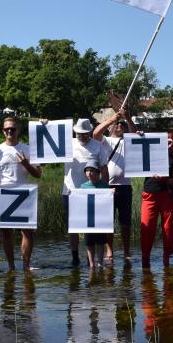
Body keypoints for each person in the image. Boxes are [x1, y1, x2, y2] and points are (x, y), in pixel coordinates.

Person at [0, 116, 42, 271]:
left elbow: (38, 174)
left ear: (18, 130)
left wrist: (26, 164)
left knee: (27, 232)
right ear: (3, 131)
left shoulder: (29, 149)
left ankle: (26, 265)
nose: (10, 131)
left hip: (24, 192)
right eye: (7, 129)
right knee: (6, 233)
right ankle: (11, 267)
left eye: (13, 128)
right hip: (3, 193)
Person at [62, 118, 108, 267]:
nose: (81, 136)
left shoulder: (97, 146)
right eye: (78, 133)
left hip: (92, 192)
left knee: (93, 226)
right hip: (70, 190)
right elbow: (47, 149)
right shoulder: (67, 143)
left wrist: (105, 190)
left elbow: (104, 169)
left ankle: (93, 260)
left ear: (89, 132)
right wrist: (45, 124)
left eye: (84, 133)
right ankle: (75, 257)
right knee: (72, 227)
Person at [93, 109, 133, 265]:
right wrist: (112, 119)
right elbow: (96, 133)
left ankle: (126, 250)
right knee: (109, 222)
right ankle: (109, 249)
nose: (120, 126)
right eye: (117, 124)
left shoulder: (127, 140)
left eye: (121, 124)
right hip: (109, 186)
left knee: (125, 222)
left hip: (125, 186)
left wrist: (127, 118)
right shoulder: (106, 141)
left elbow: (135, 134)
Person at [140, 131, 173, 269]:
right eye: (168, 141)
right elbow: (136, 147)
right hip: (149, 194)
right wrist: (140, 135)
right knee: (146, 227)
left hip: (168, 196)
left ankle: (167, 257)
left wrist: (165, 179)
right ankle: (145, 257)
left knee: (168, 229)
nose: (170, 144)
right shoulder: (150, 155)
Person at [79, 164, 111, 268]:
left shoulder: (104, 185)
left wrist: (112, 193)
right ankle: (92, 264)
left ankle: (100, 263)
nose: (89, 173)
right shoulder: (83, 186)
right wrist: (72, 194)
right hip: (88, 219)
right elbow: (79, 200)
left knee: (101, 242)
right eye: (87, 171)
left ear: (98, 172)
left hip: (100, 219)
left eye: (91, 171)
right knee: (89, 242)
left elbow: (108, 200)